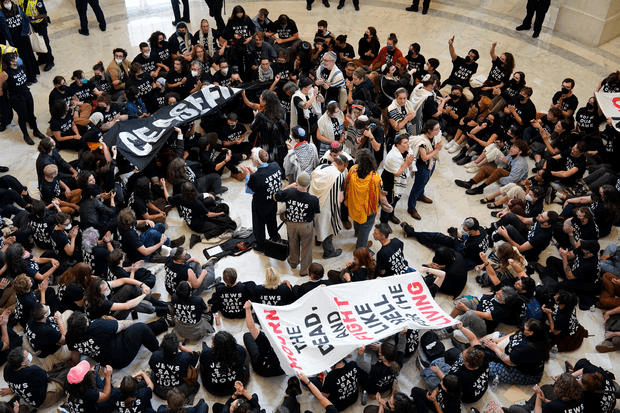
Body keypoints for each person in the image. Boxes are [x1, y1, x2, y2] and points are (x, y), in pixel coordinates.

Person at [65, 311, 161, 369]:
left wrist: (76, 366)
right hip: (121, 356)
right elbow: (123, 325)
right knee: (141, 327)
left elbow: (75, 354)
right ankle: (159, 352)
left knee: (139, 331)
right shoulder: (96, 326)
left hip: (106, 362)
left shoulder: (69, 337)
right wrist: (133, 323)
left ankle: (161, 324)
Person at [275, 172, 320, 277]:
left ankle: (293, 263)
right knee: (306, 247)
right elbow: (316, 212)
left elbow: (276, 196)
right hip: (306, 225)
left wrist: (288, 186)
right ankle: (304, 270)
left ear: (297, 182)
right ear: (309, 184)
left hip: (291, 224)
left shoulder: (289, 193)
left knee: (293, 243)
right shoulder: (313, 199)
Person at [481, 318, 549, 385]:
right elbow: (514, 334)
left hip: (522, 371)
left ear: (531, 333)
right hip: (513, 353)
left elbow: (508, 361)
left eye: (527, 326)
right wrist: (497, 340)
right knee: (494, 335)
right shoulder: (526, 331)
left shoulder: (527, 348)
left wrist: (495, 348)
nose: (525, 324)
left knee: (486, 368)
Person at [0, 53, 46, 145]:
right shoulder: (5, 73)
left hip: (26, 93)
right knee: (23, 116)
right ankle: (25, 135)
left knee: (31, 114)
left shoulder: (21, 66)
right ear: (9, 62)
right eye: (13, 59)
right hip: (16, 98)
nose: (16, 60)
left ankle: (36, 131)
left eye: (15, 58)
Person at [242, 148, 282, 252]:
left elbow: (249, 190)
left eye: (252, 157)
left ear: (256, 161)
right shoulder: (275, 165)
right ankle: (275, 237)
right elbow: (265, 177)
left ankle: (261, 246)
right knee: (272, 221)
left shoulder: (256, 177)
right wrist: (253, 174)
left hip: (260, 204)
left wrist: (248, 175)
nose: (250, 158)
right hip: (273, 200)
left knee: (259, 226)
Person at [309, 155, 347, 259]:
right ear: (342, 164)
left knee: (317, 223)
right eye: (345, 166)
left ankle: (317, 240)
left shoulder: (319, 168)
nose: (344, 169)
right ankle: (329, 251)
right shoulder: (338, 176)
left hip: (313, 203)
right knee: (327, 228)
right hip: (327, 207)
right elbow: (339, 199)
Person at [345, 149, 382, 249]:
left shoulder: (352, 170)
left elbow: (346, 185)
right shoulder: (375, 178)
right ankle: (361, 246)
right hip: (367, 209)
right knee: (365, 228)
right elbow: (379, 194)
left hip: (354, 204)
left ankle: (357, 232)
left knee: (356, 220)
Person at [407, 119, 442, 220]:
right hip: (423, 165)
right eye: (436, 129)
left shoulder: (434, 136)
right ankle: (411, 208)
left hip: (431, 163)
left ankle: (421, 195)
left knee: (425, 182)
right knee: (417, 186)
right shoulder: (422, 142)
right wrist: (436, 149)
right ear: (429, 130)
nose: (438, 131)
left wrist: (436, 148)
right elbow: (424, 158)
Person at [149, 332, 199, 400]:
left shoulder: (155, 355)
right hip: (176, 390)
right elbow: (195, 356)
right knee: (195, 384)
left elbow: (152, 367)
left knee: (152, 373)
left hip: (158, 389)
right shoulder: (184, 357)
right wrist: (181, 347)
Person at [242, 301, 284, 377]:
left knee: (247, 335)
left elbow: (251, 327)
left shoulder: (265, 339)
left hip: (263, 369)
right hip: (281, 370)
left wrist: (247, 309)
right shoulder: (287, 339)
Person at [199, 331, 248, 396]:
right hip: (236, 386)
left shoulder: (206, 353)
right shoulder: (239, 350)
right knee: (246, 360)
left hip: (213, 389)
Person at [19, 0, 54, 72]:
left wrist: (32, 17)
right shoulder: (21, 0)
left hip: (40, 24)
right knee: (36, 41)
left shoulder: (37, 1)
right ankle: (41, 59)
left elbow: (44, 14)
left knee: (44, 42)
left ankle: (50, 61)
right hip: (31, 24)